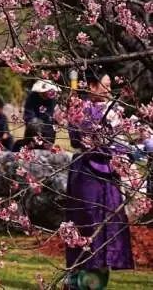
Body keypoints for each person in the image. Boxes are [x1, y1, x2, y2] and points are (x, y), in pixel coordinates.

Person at [65, 71, 133, 288]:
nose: (109, 89)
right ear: (92, 86)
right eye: (105, 85)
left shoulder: (114, 110)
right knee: (88, 227)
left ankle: (95, 282)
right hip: (88, 176)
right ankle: (78, 282)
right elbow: (79, 139)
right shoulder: (81, 108)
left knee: (110, 227)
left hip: (110, 178)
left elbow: (124, 143)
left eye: (110, 84)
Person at [23, 80, 59, 144]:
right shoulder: (32, 97)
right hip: (33, 130)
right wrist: (36, 126)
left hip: (48, 131)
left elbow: (52, 117)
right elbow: (28, 114)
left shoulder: (52, 99)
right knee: (34, 122)